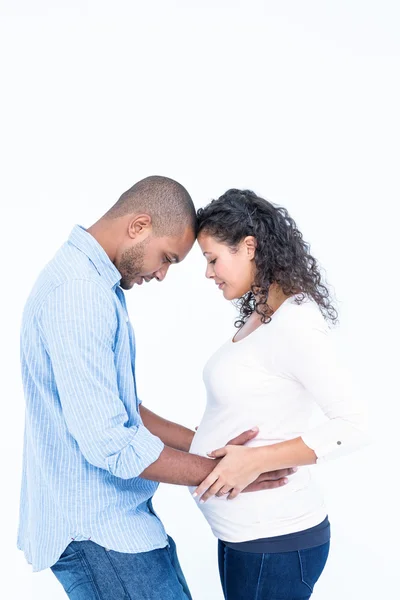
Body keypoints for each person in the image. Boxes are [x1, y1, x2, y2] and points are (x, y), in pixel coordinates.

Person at [18, 176, 295, 600]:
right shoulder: (77, 295)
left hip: (119, 524)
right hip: (99, 534)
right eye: (166, 258)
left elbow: (126, 410)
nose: (162, 274)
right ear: (138, 225)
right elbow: (111, 444)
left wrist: (208, 446)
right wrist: (226, 473)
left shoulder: (94, 285)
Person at [189, 188, 370, 600]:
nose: (208, 273)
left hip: (276, 541)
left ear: (248, 247)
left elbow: (355, 425)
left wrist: (252, 461)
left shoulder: (296, 322)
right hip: (247, 538)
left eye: (212, 258)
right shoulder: (262, 315)